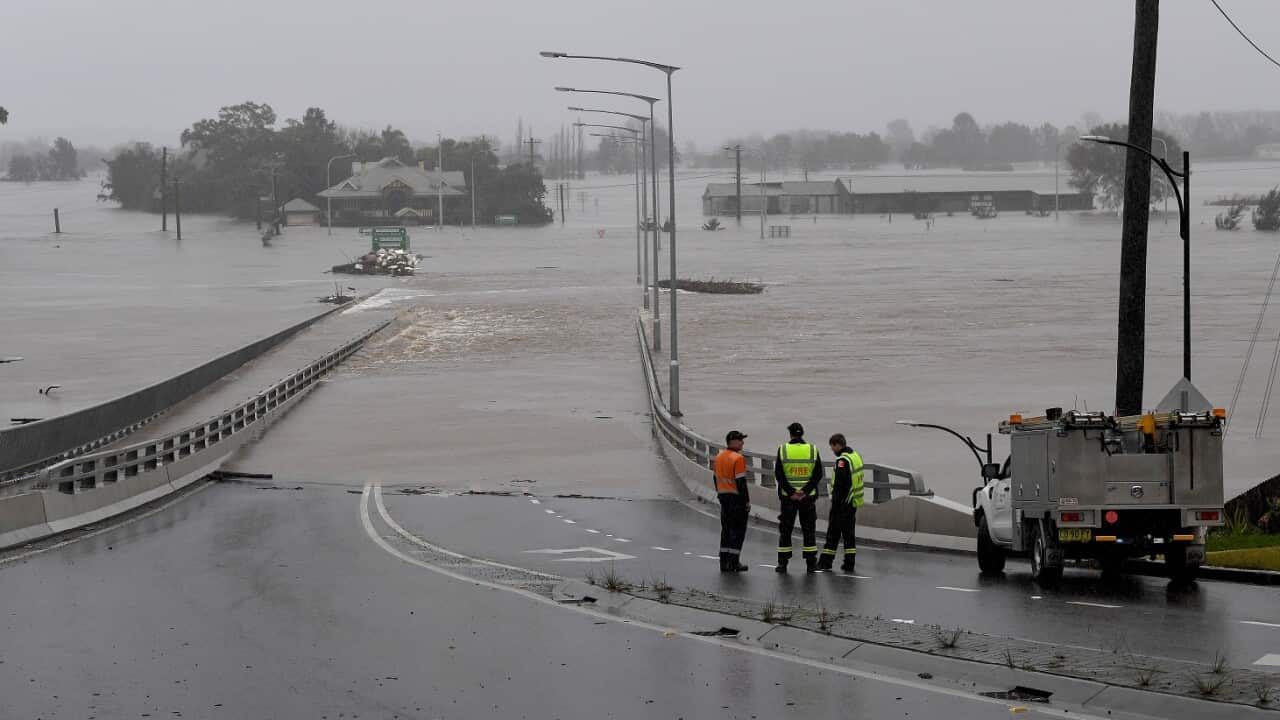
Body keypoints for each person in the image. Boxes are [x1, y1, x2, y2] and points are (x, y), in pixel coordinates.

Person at [774, 422, 823, 573]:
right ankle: (811, 563)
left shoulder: (783, 450)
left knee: (786, 530)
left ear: (790, 434)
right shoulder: (813, 450)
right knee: (809, 530)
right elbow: (818, 474)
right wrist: (805, 491)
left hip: (788, 499)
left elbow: (779, 475)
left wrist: (791, 492)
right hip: (807, 498)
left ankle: (783, 563)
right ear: (802, 433)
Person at [818, 433, 865, 572]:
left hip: (842, 503)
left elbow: (840, 485)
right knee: (849, 534)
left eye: (832, 447)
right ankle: (849, 563)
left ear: (837, 444)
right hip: (853, 501)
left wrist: (835, 504)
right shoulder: (855, 456)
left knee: (833, 533)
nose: (832, 450)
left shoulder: (842, 461)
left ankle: (825, 563)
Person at [713, 430, 751, 572]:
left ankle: (724, 562)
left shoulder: (719, 457)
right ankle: (734, 562)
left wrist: (720, 493)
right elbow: (741, 482)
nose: (742, 442)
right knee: (738, 531)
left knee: (726, 530)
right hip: (736, 499)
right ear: (733, 441)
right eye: (740, 440)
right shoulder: (738, 458)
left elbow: (715, 478)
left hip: (724, 498)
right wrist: (746, 501)